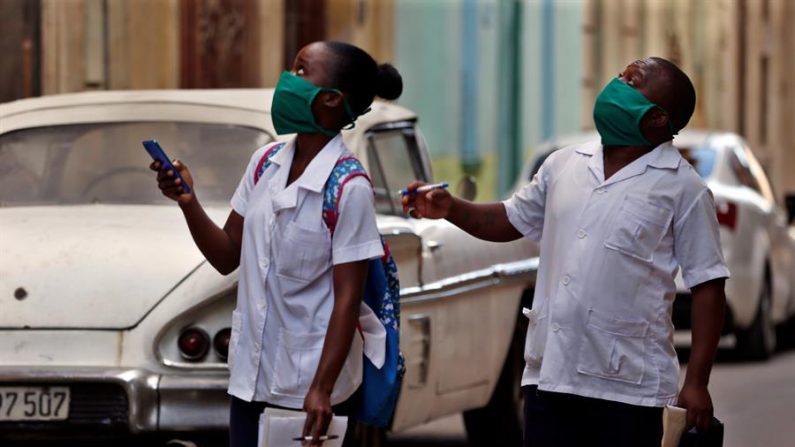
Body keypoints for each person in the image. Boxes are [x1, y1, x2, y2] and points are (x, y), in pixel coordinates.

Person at [403, 57, 729, 447]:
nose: (615, 84)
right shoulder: (564, 165)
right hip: (551, 376)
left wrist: (696, 382)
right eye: (620, 75)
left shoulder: (684, 189)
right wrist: (452, 208)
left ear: (658, 118)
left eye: (631, 80)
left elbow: (709, 285)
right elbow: (510, 219)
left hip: (629, 389)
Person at [151, 41, 403, 447]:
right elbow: (225, 255)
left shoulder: (349, 187)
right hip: (251, 380)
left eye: (301, 71)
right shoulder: (265, 163)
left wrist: (321, 388)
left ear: (332, 99)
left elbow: (347, 298)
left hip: (310, 393)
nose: (287, 80)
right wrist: (188, 202)